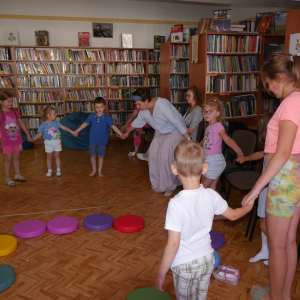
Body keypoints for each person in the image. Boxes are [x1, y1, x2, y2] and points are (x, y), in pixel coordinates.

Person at [153, 140, 255, 299]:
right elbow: (234, 215)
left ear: (174, 169)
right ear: (205, 168)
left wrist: (161, 272)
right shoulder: (211, 195)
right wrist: (248, 207)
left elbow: (173, 244)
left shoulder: (175, 204)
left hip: (185, 264)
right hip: (207, 259)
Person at [242, 52, 300, 300]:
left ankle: (275, 298)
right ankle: (283, 295)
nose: (268, 90)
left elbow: (282, 152)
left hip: (283, 179)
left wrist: (256, 188)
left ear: (278, 76)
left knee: (277, 245)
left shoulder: (290, 103)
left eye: (268, 84)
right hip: (295, 177)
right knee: (288, 242)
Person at [122, 88, 190, 196]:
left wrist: (188, 140)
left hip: (174, 133)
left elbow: (176, 122)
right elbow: (137, 122)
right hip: (159, 134)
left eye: (139, 104)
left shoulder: (162, 104)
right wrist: (127, 132)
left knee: (164, 158)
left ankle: (169, 186)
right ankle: (159, 183)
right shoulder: (144, 111)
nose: (137, 107)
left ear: (146, 101)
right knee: (152, 156)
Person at [236, 112, 273, 266]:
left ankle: (274, 251)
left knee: (267, 225)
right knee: (262, 221)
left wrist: (256, 189)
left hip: (270, 188)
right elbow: (261, 153)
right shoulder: (271, 144)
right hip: (263, 187)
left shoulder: (279, 146)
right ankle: (265, 250)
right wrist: (245, 158)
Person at [200, 99, 243, 191]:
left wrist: (238, 150)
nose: (206, 114)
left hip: (215, 161)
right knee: (211, 189)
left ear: (218, 114)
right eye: (204, 112)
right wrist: (195, 147)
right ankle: (218, 205)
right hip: (207, 160)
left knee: (203, 188)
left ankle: (220, 205)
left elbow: (227, 139)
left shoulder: (218, 126)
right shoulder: (208, 127)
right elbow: (204, 141)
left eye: (210, 111)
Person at [74, 97, 123, 177]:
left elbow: (113, 127)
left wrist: (120, 134)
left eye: (101, 107)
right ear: (94, 107)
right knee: (92, 156)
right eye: (97, 107)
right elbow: (85, 124)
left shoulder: (107, 117)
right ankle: (94, 170)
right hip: (92, 140)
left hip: (102, 141)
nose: (99, 109)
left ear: (104, 107)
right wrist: (77, 131)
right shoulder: (92, 116)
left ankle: (99, 171)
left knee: (101, 156)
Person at [33, 105, 77, 177]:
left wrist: (72, 132)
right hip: (48, 143)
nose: (56, 115)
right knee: (49, 157)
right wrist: (33, 139)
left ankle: (58, 170)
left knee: (57, 156)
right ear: (48, 115)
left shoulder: (56, 123)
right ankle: (49, 170)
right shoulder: (43, 125)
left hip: (57, 142)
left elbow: (64, 128)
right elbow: (39, 134)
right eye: (54, 113)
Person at [0, 91, 34, 186]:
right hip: (7, 141)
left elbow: (22, 124)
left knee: (17, 157)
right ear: (1, 102)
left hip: (17, 140)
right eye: (8, 101)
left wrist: (28, 135)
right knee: (9, 159)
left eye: (12, 101)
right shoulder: (0, 114)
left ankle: (18, 175)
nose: (11, 103)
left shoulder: (15, 112)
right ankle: (8, 178)